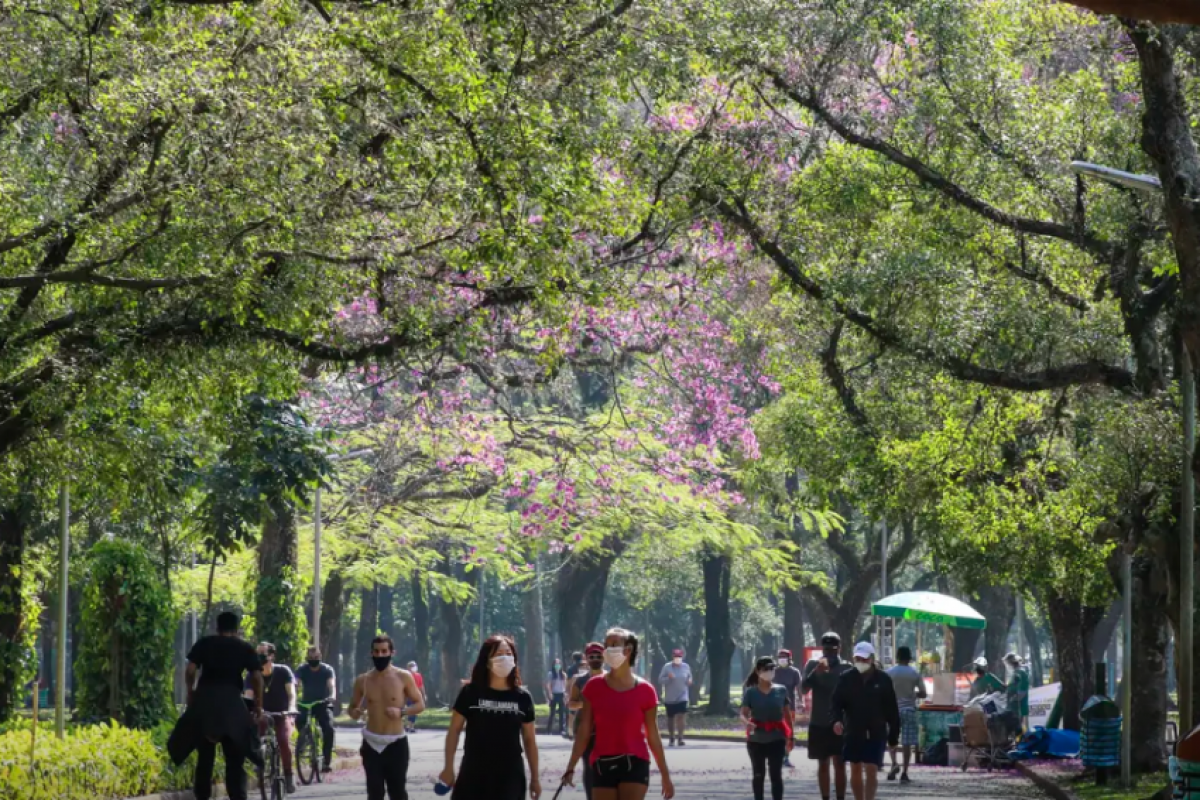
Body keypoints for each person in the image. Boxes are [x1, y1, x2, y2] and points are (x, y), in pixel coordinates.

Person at [563, 628, 675, 800]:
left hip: (635, 762)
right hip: (602, 764)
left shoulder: (646, 691)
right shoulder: (593, 687)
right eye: (607, 645)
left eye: (614, 644)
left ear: (628, 650)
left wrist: (665, 775)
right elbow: (584, 731)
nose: (608, 649)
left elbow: (653, 735)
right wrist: (571, 766)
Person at [168, 611, 263, 800]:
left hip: (206, 703)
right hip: (232, 705)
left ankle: (202, 797)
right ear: (236, 628)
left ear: (217, 627)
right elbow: (257, 677)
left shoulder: (204, 643)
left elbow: (190, 670)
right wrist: (258, 705)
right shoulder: (244, 647)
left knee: (204, 758)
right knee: (235, 759)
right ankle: (238, 796)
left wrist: (190, 691)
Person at [440, 635, 541, 800]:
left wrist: (535, 779)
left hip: (510, 775)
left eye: (509, 653)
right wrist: (448, 767)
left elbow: (530, 740)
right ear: (487, 660)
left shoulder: (523, 697)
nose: (505, 657)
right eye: (499, 653)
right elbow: (454, 730)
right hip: (474, 771)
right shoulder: (470, 693)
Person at [349, 635, 426, 800]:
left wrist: (402, 712)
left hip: (396, 743)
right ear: (371, 653)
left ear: (392, 653)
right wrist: (355, 713)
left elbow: (420, 704)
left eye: (384, 651)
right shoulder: (363, 680)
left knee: (397, 792)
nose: (380, 655)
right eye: (376, 651)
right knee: (374, 793)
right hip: (371, 743)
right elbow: (352, 708)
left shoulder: (403, 676)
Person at [830, 642, 900, 800]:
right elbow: (836, 703)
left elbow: (892, 709)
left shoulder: (883, 679)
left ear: (872, 659)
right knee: (855, 767)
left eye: (864, 659)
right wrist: (836, 720)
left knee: (871, 768)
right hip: (854, 730)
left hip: (876, 731)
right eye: (857, 658)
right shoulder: (846, 678)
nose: (861, 662)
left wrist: (893, 735)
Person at [803, 632, 852, 800]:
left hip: (840, 723)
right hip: (818, 721)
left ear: (839, 648)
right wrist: (816, 672)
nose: (829, 653)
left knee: (840, 763)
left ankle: (840, 797)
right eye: (826, 649)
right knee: (822, 764)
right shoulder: (812, 665)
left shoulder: (847, 667)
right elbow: (803, 689)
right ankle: (825, 797)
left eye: (833, 650)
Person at [740, 656, 793, 800]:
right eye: (766, 669)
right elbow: (743, 714)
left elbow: (787, 715)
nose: (769, 672)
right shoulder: (751, 692)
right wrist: (747, 723)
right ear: (758, 671)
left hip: (777, 738)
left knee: (776, 774)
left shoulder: (781, 690)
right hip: (756, 740)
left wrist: (791, 737)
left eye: (772, 669)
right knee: (758, 775)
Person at [257, 642, 298, 794]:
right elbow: (248, 694)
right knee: (254, 736)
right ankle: (261, 763)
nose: (260, 657)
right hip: (263, 713)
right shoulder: (253, 673)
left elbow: (291, 693)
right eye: (258, 653)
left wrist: (291, 708)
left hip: (282, 714)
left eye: (263, 653)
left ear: (272, 656)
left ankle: (288, 774)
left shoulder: (283, 671)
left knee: (283, 740)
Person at [568, 643, 606, 800]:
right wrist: (588, 703)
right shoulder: (579, 680)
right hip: (585, 730)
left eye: (598, 656)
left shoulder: (611, 679)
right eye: (592, 656)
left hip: (607, 730)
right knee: (589, 766)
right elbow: (571, 703)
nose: (595, 659)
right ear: (586, 658)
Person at [884, 646, 926, 783]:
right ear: (909, 657)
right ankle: (905, 772)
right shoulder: (914, 673)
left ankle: (894, 763)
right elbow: (923, 693)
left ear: (897, 657)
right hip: (909, 709)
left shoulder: (889, 672)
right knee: (907, 743)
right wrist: (913, 694)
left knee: (892, 739)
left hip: (892, 710)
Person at [296, 646, 337, 775]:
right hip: (306, 704)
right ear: (307, 658)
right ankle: (306, 738)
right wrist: (294, 689)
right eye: (311, 658)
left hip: (322, 703)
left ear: (320, 657)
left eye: (316, 657)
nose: (314, 660)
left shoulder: (327, 670)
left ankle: (326, 761)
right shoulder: (302, 669)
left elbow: (331, 685)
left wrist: (332, 696)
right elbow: (295, 682)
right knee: (299, 720)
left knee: (328, 729)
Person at [774, 648, 804, 766]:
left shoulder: (794, 672)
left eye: (784, 657)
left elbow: (799, 687)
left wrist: (801, 701)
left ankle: (786, 756)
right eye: (780, 657)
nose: (781, 659)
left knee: (788, 732)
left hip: (789, 707)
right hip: (775, 707)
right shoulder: (774, 672)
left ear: (789, 659)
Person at [658, 648, 693, 747]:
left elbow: (689, 676)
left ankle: (681, 737)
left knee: (681, 716)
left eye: (679, 656)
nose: (677, 658)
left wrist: (689, 680)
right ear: (672, 657)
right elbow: (660, 680)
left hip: (683, 695)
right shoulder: (667, 667)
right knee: (671, 718)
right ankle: (672, 737)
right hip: (670, 697)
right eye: (676, 656)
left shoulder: (686, 667)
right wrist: (668, 678)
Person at [1003, 653, 1031, 733]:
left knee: (1018, 727)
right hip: (1014, 705)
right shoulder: (1016, 673)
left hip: (1018, 705)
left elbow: (1022, 690)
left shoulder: (1020, 673)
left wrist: (1014, 699)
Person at [545, 657, 569, 736]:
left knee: (562, 713)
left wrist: (565, 695)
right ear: (553, 665)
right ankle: (549, 730)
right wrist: (550, 694)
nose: (557, 665)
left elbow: (565, 686)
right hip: (554, 694)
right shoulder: (551, 674)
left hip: (561, 694)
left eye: (559, 663)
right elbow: (548, 685)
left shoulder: (563, 674)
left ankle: (561, 730)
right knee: (552, 713)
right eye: (556, 663)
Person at [405, 661, 426, 734]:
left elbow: (421, 686)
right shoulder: (406, 676)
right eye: (412, 666)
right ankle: (411, 727)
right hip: (408, 696)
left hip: (417, 695)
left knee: (414, 711)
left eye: (414, 665)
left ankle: (409, 726)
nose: (414, 667)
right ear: (408, 668)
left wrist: (424, 694)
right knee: (411, 711)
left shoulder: (418, 675)